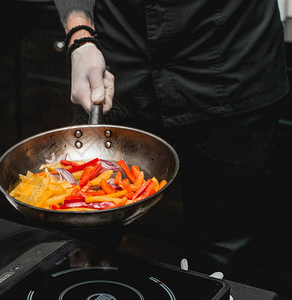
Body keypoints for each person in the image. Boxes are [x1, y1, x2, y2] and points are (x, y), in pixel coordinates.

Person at [53, 0, 289, 281]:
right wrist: (80, 39)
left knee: (221, 261)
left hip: (231, 59)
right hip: (116, 57)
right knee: (81, 242)